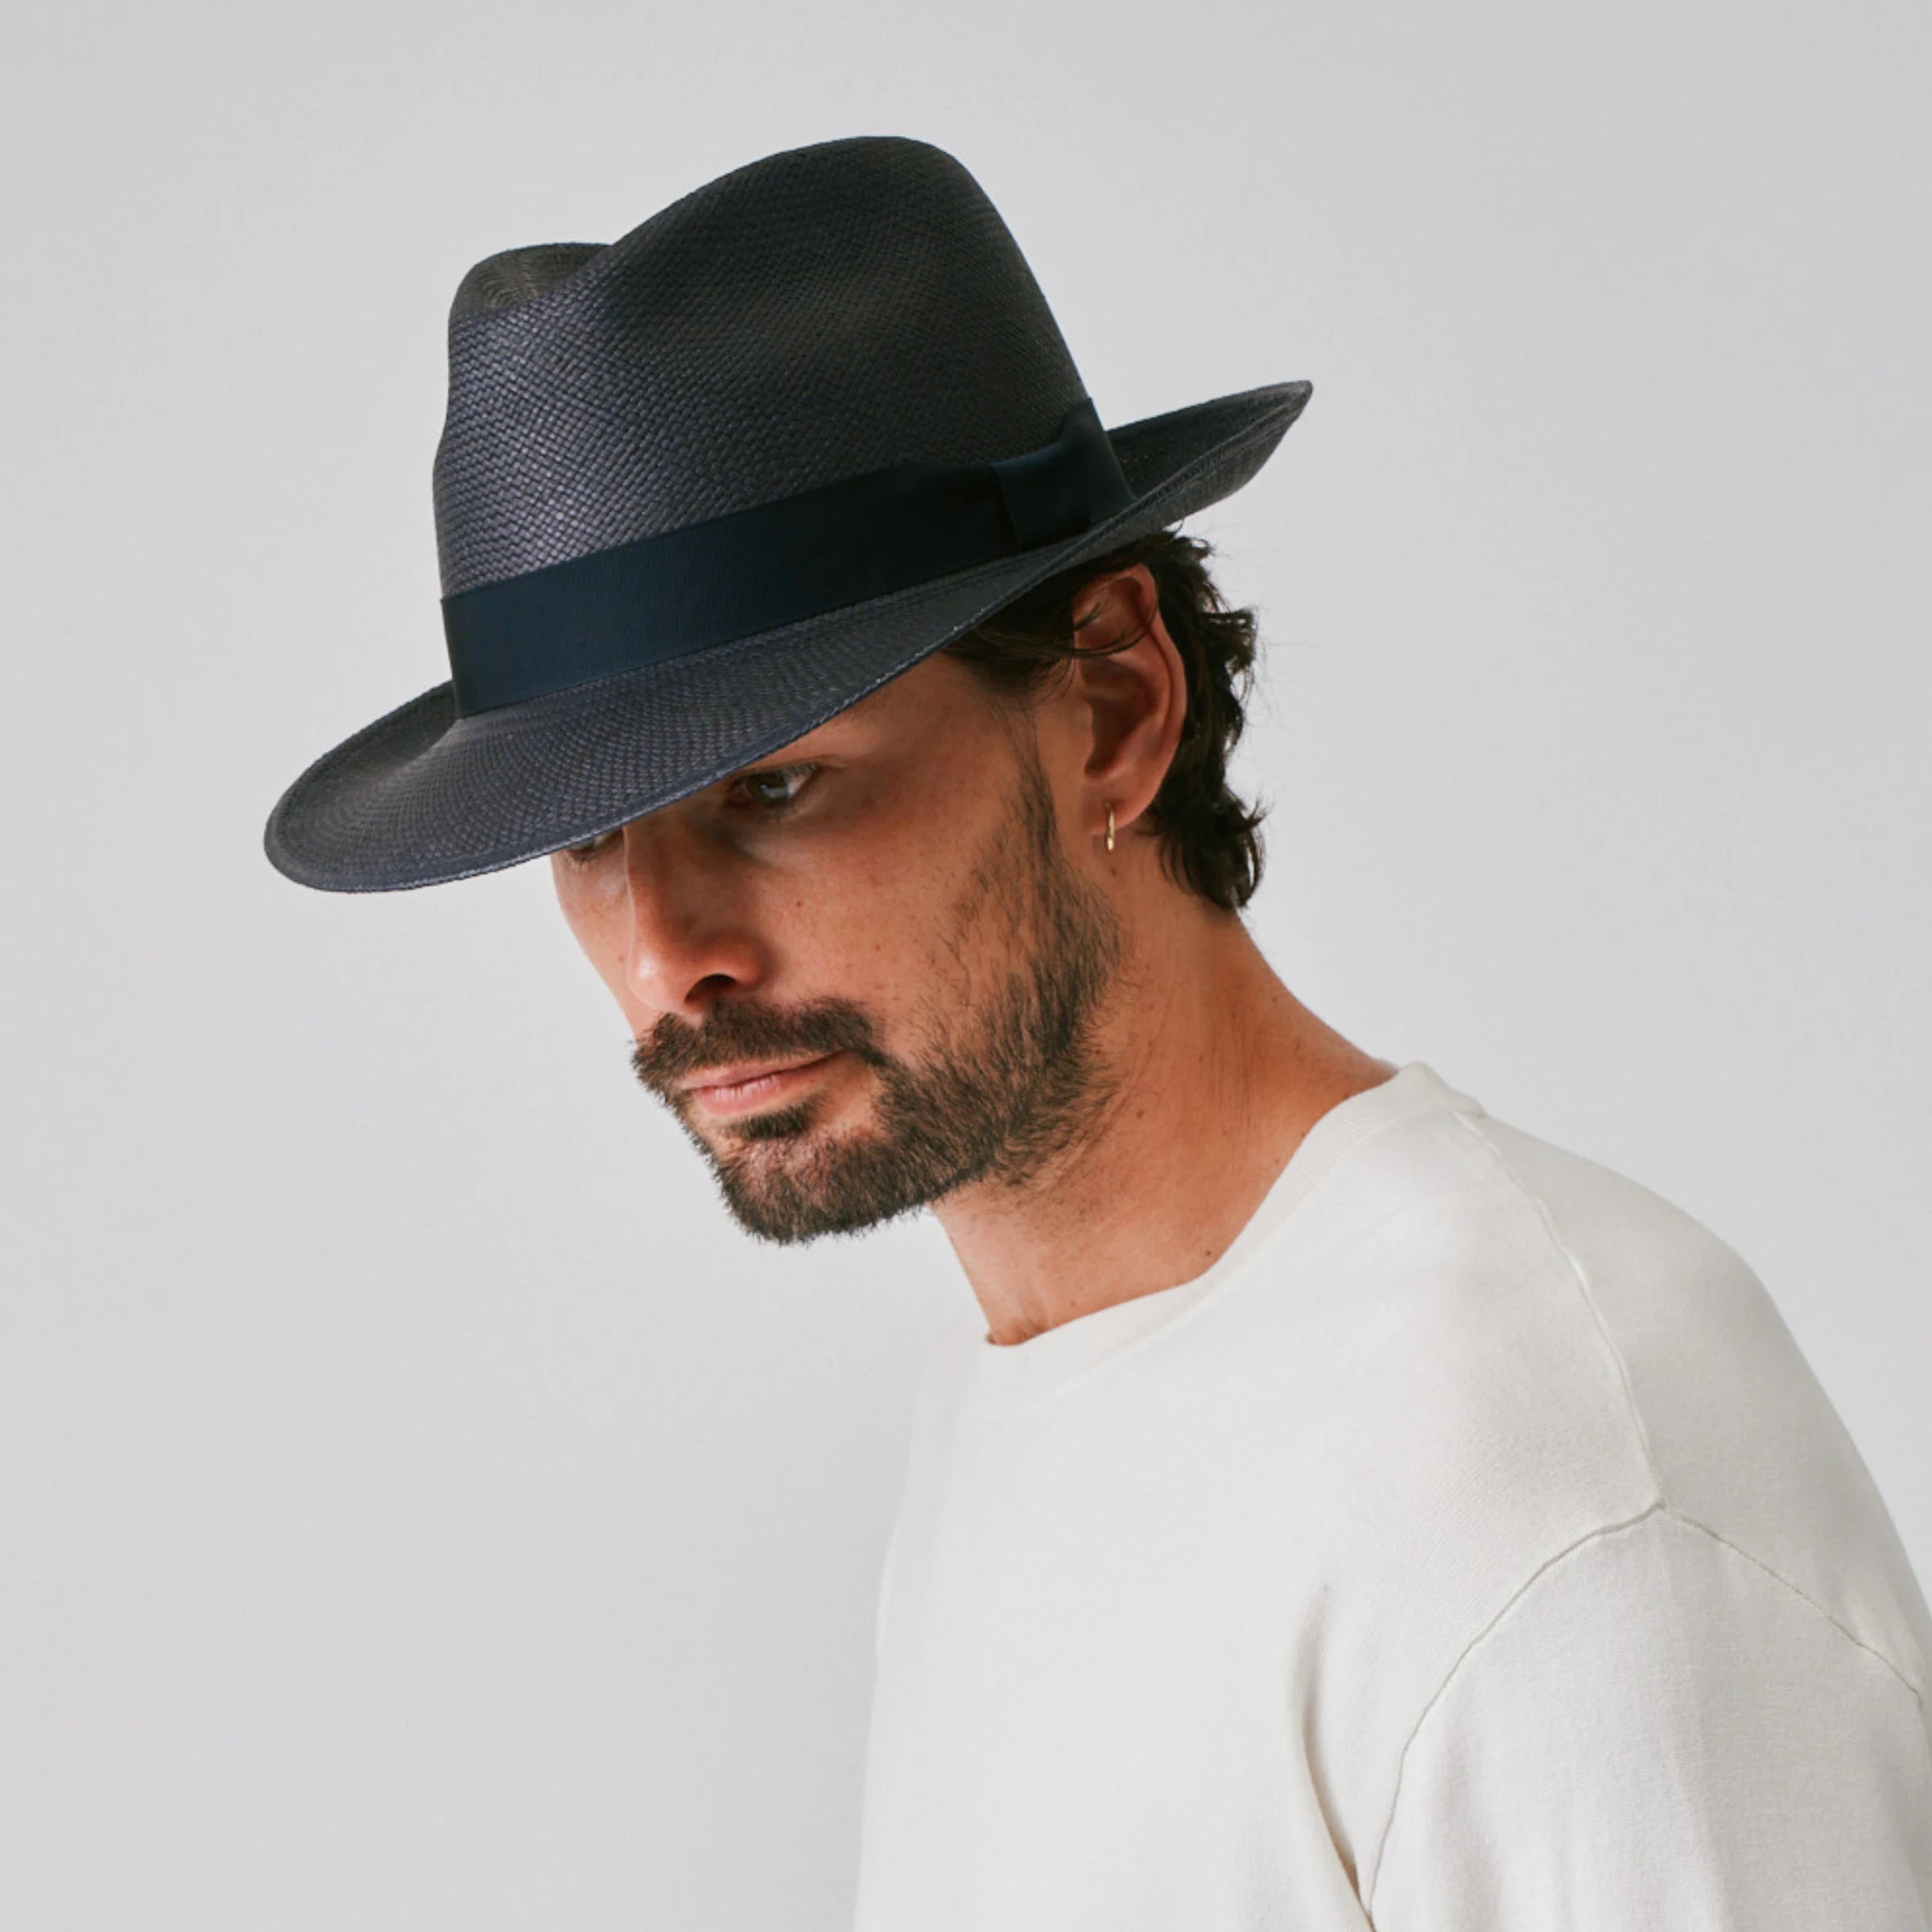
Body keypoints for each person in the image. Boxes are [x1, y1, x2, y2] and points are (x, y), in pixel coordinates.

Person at [265, 136, 1932, 1927]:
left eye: (775, 784)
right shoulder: (1027, 1406)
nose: (668, 954)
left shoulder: (1551, 1487)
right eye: (590, 835)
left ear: (1118, 708)